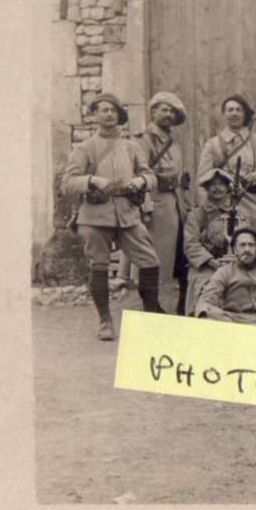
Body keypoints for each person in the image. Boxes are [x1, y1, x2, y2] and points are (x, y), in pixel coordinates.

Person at [61, 93, 161, 340]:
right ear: (95, 115)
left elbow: (151, 176)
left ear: (119, 116)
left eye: (113, 111)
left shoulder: (131, 146)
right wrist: (92, 180)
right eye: (103, 110)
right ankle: (105, 321)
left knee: (150, 261)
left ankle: (150, 318)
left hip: (127, 214)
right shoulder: (84, 149)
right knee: (99, 266)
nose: (108, 114)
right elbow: (67, 184)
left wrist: (141, 180)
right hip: (95, 216)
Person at [135, 91, 192, 308]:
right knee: (151, 259)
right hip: (155, 207)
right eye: (164, 110)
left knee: (180, 255)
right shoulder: (144, 140)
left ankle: (181, 305)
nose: (168, 115)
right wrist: (145, 207)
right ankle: (151, 306)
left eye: (172, 112)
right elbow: (140, 175)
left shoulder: (173, 143)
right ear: (153, 112)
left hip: (175, 206)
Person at [182, 168, 256, 316]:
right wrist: (212, 262)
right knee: (205, 290)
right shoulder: (196, 215)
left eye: (221, 184)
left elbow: (248, 240)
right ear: (206, 188)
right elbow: (191, 245)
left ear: (228, 188)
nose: (217, 188)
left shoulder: (241, 214)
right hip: (206, 265)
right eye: (212, 184)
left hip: (237, 263)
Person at [196, 94, 256, 223]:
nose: (234, 114)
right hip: (223, 204)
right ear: (224, 114)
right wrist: (205, 210)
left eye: (239, 110)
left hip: (253, 201)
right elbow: (202, 179)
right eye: (230, 110)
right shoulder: (213, 144)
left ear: (244, 114)